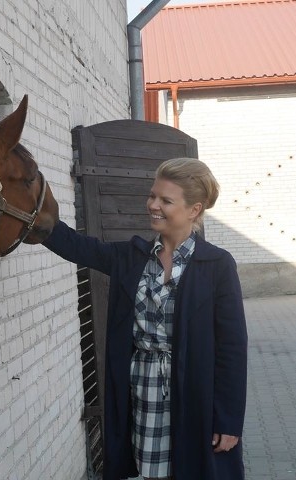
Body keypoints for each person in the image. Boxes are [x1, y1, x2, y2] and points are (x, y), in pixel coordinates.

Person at [43, 157, 247, 480]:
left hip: (194, 393)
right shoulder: (131, 257)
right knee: (152, 472)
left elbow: (233, 348)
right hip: (143, 388)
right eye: (153, 195)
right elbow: (79, 247)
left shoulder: (217, 266)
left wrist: (229, 419)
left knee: (194, 469)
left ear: (194, 210)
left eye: (165, 200)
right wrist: (37, 214)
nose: (153, 205)